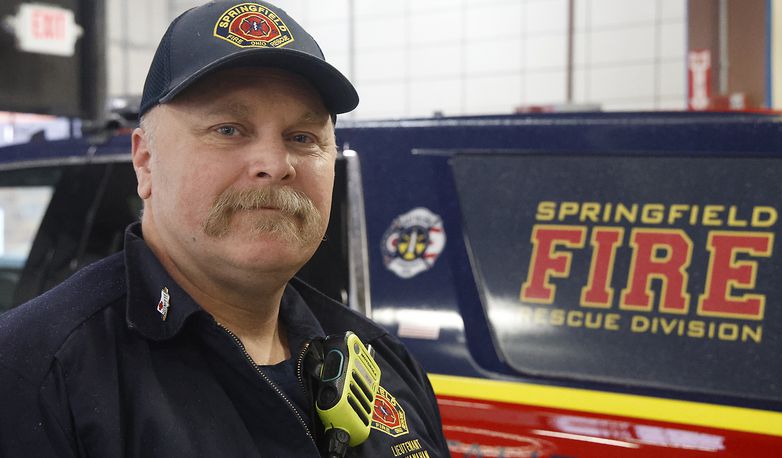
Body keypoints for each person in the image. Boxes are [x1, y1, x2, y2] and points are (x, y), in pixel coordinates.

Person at [0, 1, 450, 456]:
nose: (275, 165)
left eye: (302, 138)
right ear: (146, 161)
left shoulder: (386, 362)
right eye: (229, 130)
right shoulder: (35, 374)